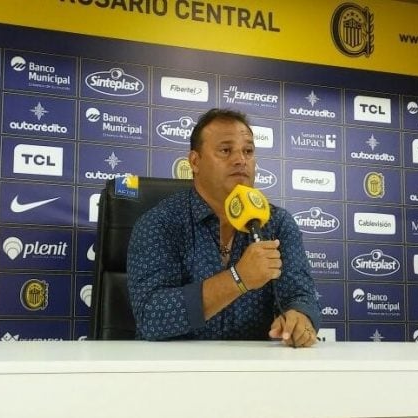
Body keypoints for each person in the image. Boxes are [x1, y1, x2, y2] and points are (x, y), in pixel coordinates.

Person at [127, 108, 320, 347]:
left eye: (248, 151)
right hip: (173, 372)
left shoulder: (277, 223)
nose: (241, 160)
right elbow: (152, 317)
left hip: (250, 373)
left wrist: (299, 317)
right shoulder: (160, 222)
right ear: (195, 162)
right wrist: (238, 278)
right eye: (226, 150)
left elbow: (301, 296)